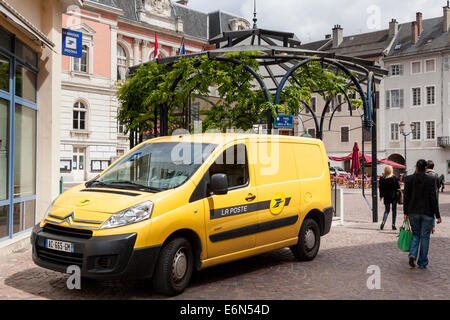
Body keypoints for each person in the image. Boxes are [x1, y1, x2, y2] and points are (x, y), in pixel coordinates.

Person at [404, 159, 442, 269]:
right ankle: (422, 261)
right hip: (427, 213)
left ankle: (412, 254)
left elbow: (406, 197)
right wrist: (437, 215)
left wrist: (405, 212)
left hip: (413, 212)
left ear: (416, 167)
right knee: (425, 237)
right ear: (425, 168)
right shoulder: (431, 179)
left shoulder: (409, 179)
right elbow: (433, 198)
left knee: (415, 234)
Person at [379, 165, 400, 230]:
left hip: (386, 195)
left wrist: (381, 196)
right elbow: (397, 187)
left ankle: (383, 222)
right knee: (394, 211)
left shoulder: (382, 178)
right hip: (393, 196)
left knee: (387, 210)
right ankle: (393, 224)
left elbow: (381, 188)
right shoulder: (394, 177)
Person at [425, 160, 439, 234]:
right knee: (433, 211)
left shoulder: (424, 175)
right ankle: (433, 226)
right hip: (434, 196)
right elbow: (438, 186)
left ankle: (427, 226)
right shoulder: (436, 175)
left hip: (425, 197)